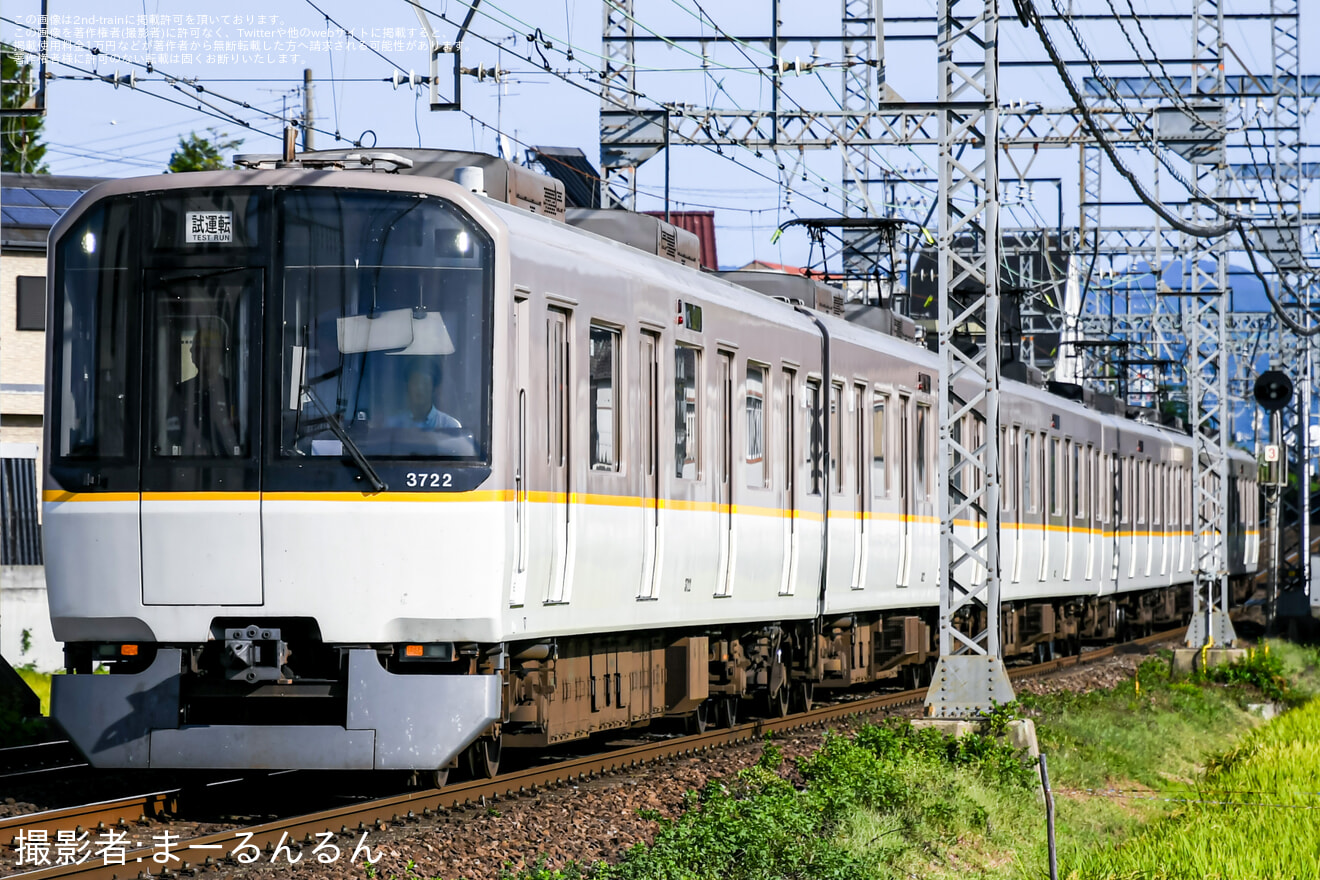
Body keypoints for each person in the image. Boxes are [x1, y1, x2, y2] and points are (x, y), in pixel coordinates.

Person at [164, 323, 241, 456]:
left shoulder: (234, 391)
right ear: (193, 355)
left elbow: (242, 432)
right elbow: (172, 432)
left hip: (227, 464)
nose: (206, 356)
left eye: (212, 351)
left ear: (221, 356)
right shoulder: (181, 391)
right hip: (191, 464)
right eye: (201, 350)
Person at [387, 359, 461, 429]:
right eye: (415, 382)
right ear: (407, 387)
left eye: (425, 383)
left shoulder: (450, 426)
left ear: (434, 388)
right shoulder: (393, 425)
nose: (419, 388)